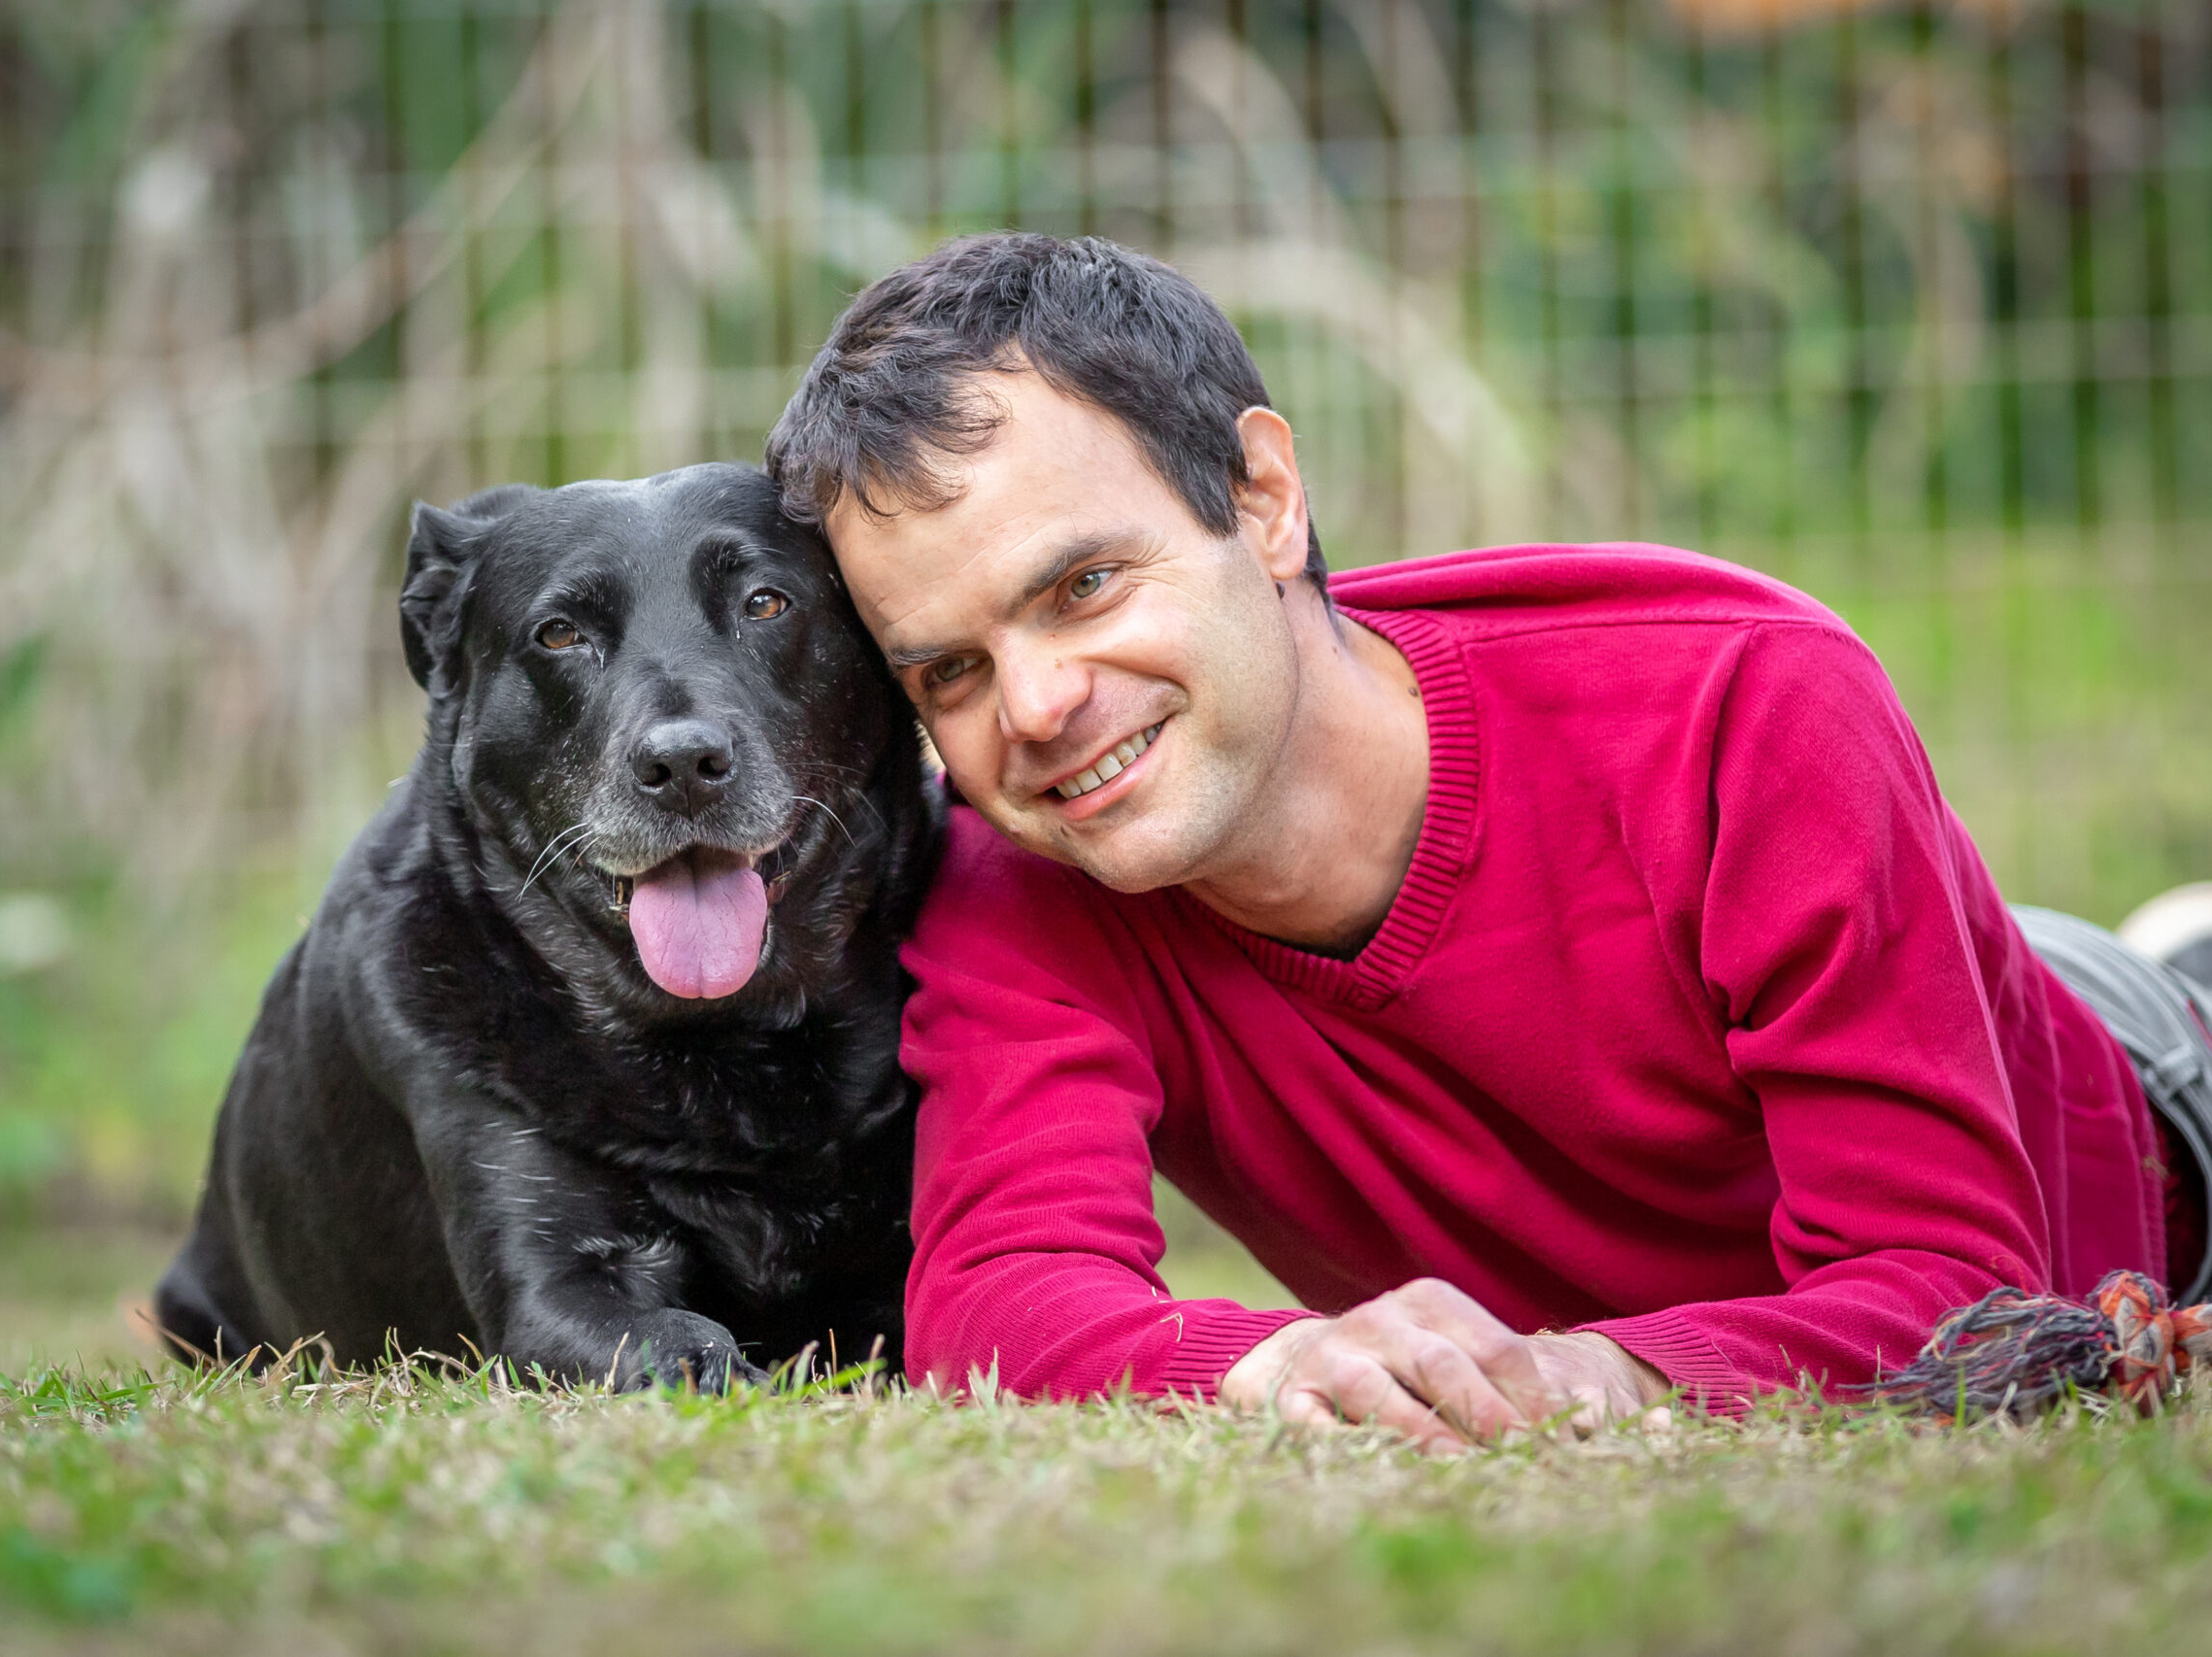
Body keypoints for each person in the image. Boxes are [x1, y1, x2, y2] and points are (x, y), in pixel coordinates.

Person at [763, 232, 2212, 1448]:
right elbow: (1002, 1297)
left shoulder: (1737, 700)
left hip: (2152, 1112)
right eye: (946, 669)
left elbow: (1945, 1290)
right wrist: (1272, 1365)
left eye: (1083, 584)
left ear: (1263, 497)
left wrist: (1603, 1372)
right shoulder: (1020, 877)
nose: (1034, 706)